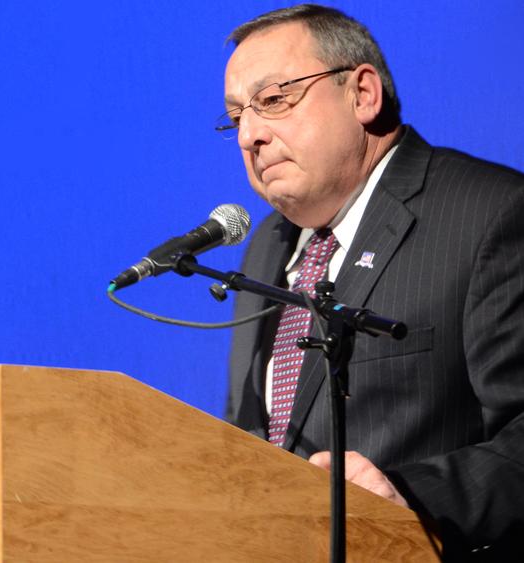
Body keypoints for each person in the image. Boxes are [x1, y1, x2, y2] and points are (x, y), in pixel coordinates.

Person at [222, 4, 524, 560]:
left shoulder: (492, 214)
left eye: (272, 100)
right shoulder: (267, 243)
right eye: (235, 115)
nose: (249, 136)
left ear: (362, 93)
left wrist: (404, 500)